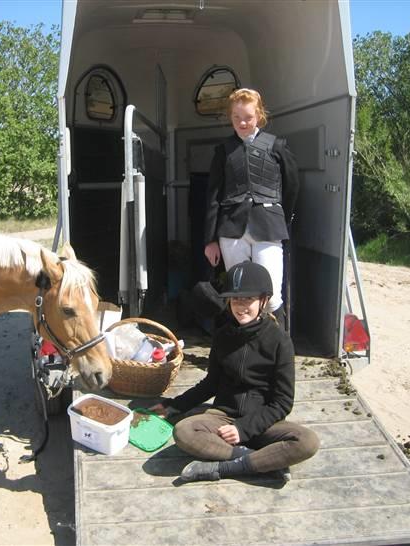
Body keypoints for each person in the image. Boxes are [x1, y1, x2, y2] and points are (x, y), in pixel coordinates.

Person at [149, 261, 319, 482]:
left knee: (307, 441)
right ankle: (263, 462)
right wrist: (173, 405)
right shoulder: (222, 335)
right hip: (223, 417)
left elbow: (283, 402)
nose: (241, 306)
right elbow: (211, 383)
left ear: (264, 300)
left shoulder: (280, 341)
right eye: (235, 299)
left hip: (263, 423)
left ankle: (223, 468)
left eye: (248, 298)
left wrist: (243, 429)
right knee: (183, 431)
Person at [203, 88, 299, 324]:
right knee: (239, 294)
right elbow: (213, 195)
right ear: (230, 118)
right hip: (231, 230)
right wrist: (210, 240)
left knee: (272, 294)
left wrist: (280, 219)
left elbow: (292, 186)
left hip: (268, 227)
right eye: (236, 118)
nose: (242, 123)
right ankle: (241, 349)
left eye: (247, 117)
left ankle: (278, 348)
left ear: (259, 115)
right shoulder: (223, 150)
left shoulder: (277, 146)